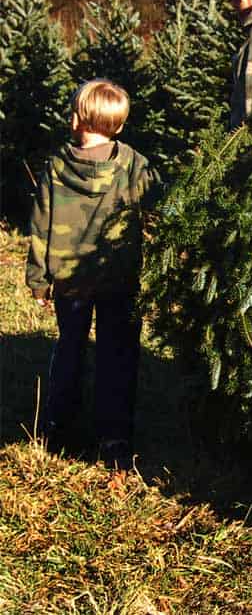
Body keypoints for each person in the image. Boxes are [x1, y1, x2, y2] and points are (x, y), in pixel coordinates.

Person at [26, 79, 161, 471]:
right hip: (119, 278)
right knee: (117, 353)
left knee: (69, 346)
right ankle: (114, 439)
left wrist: (39, 279)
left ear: (75, 119)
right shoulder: (136, 164)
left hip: (69, 281)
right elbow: (157, 213)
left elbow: (40, 225)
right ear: (117, 126)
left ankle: (57, 428)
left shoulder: (56, 166)